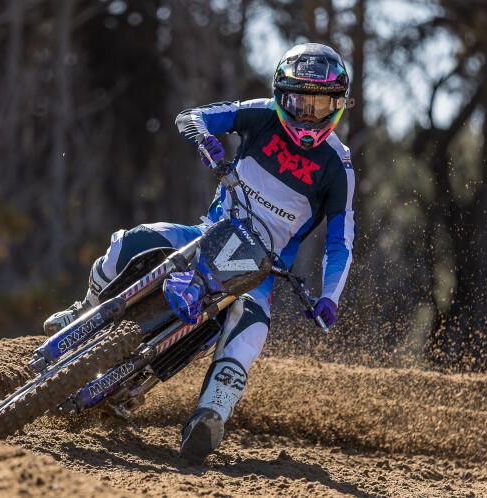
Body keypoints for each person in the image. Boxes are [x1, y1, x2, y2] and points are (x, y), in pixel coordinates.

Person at [43, 43, 357, 463]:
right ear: (281, 96)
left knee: (250, 333)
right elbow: (191, 116)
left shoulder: (339, 166)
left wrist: (330, 296)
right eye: (300, 103)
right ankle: (83, 311)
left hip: (259, 271)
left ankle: (211, 414)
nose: (308, 116)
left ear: (338, 104)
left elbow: (340, 241)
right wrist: (205, 138)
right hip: (206, 234)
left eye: (321, 106)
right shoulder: (261, 113)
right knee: (132, 240)